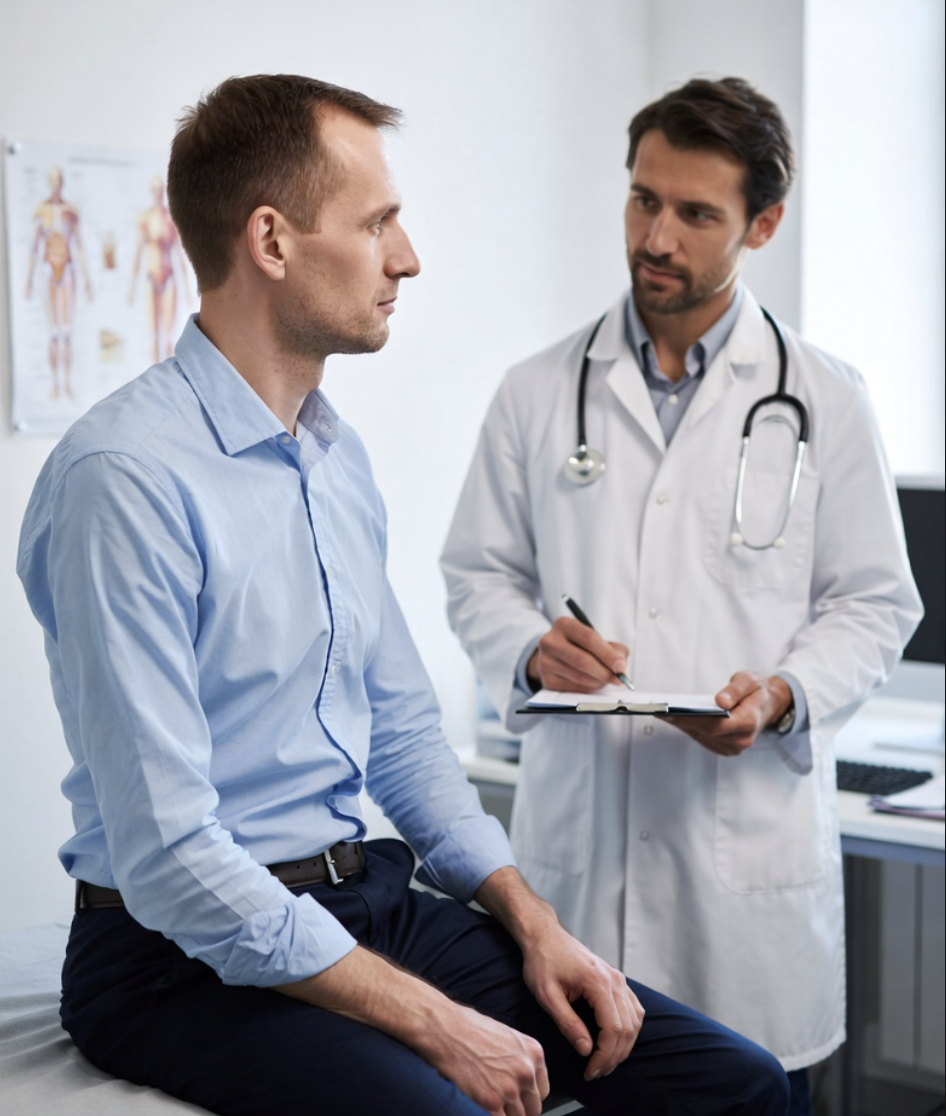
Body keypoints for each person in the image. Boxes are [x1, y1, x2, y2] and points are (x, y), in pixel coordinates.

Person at [17, 74, 789, 1116]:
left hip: (364, 904)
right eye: (377, 221)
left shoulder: (332, 458)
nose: (406, 256)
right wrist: (434, 1022)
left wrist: (528, 919)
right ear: (272, 240)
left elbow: (400, 734)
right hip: (174, 956)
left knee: (733, 1085)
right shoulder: (126, 481)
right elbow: (172, 857)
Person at [440, 76, 922, 1116]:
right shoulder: (537, 389)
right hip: (577, 884)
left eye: (695, 214)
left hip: (739, 880)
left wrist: (783, 695)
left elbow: (875, 602)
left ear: (763, 223)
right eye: (642, 200)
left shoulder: (826, 398)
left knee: (743, 1092)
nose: (656, 236)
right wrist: (530, 651)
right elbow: (476, 574)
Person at [24, 165, 94, 400]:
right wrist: (28, 281)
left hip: (68, 271)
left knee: (67, 331)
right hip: (47, 271)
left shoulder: (70, 212)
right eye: (52, 180)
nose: (56, 184)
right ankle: (55, 384)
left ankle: (67, 384)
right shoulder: (41, 211)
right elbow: (34, 248)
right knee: (53, 331)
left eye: (59, 180)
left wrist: (88, 281)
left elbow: (81, 247)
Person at [128, 174, 192, 362]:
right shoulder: (145, 218)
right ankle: (156, 383)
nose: (157, 193)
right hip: (151, 277)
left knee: (169, 334)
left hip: (169, 277)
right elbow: (138, 253)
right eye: (154, 189)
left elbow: (180, 255)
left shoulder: (171, 220)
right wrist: (132, 286)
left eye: (159, 189)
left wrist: (188, 289)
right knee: (155, 335)